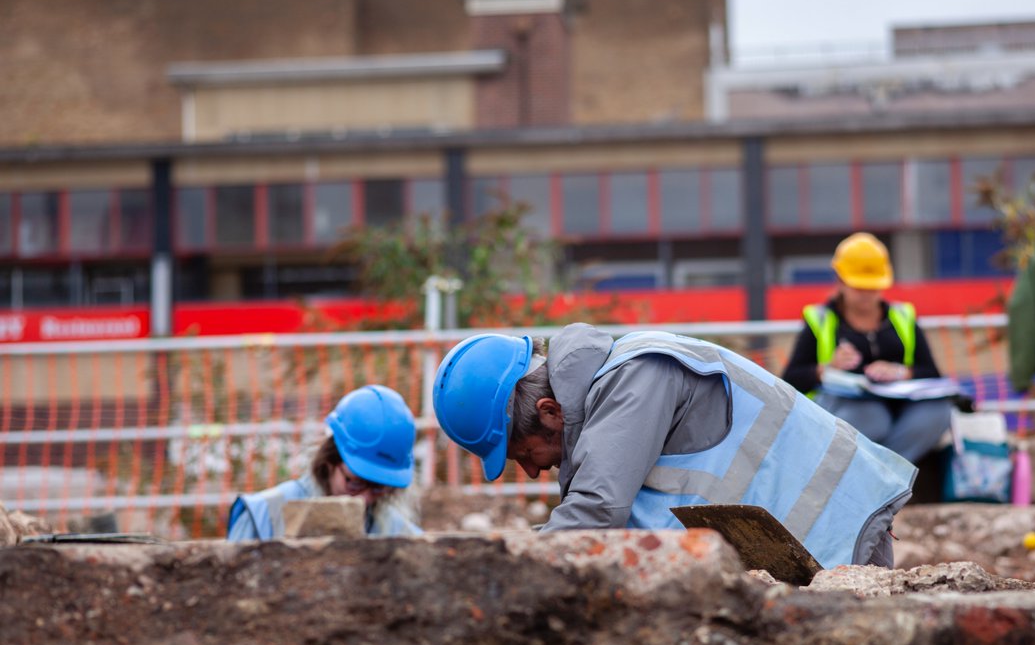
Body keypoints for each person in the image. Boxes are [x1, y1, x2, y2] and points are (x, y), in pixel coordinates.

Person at [432, 324, 916, 568]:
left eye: (523, 456)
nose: (535, 473)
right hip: (810, 544)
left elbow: (598, 510)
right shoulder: (610, 401)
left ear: (550, 413)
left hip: (842, 529)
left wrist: (499, 562)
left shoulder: (633, 379)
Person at [782, 232, 953, 465]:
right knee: (873, 417)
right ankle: (874, 477)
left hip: (901, 410)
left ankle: (887, 473)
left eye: (872, 287)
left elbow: (932, 373)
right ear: (840, 281)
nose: (866, 295)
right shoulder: (820, 320)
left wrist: (901, 372)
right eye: (859, 287)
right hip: (845, 410)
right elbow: (790, 380)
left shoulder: (903, 318)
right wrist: (828, 368)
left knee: (938, 413)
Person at [227, 384, 421, 541]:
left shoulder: (399, 534)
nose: (364, 499)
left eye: (378, 488)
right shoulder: (263, 518)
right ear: (329, 461)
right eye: (355, 483)